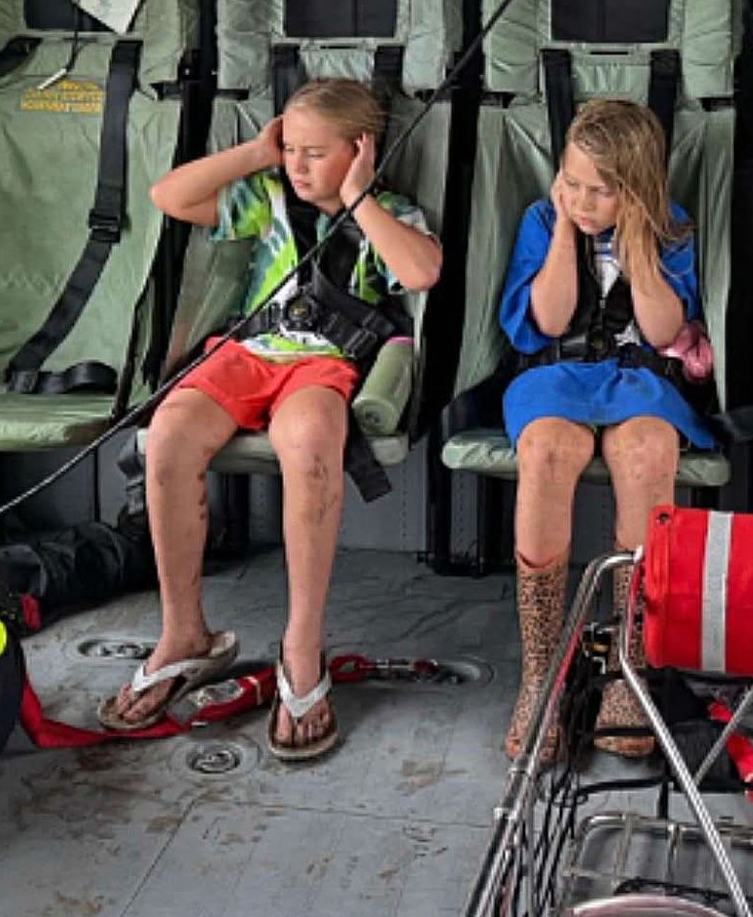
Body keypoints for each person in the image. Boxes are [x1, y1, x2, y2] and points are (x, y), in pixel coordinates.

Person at [98, 78, 441, 761]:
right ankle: (183, 634)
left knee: (313, 441)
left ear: (360, 151)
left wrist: (358, 197)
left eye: (316, 153)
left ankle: (301, 647)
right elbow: (170, 197)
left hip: (326, 361)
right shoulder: (267, 197)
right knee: (166, 435)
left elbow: (420, 271)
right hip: (249, 351)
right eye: (291, 150)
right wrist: (256, 153)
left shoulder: (387, 211)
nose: (298, 165)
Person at [499, 98, 716, 761]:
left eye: (602, 192)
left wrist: (641, 240)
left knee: (651, 450)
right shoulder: (545, 220)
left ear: (639, 190)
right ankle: (541, 673)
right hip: (557, 375)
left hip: (637, 380)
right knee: (545, 449)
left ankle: (629, 661)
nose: (585, 200)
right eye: (574, 183)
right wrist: (567, 229)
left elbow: (658, 331)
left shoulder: (670, 230)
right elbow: (552, 319)